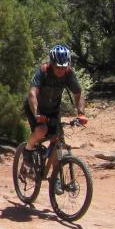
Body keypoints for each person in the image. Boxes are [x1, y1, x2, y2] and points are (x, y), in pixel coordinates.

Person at [22, 44, 87, 182]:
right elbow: (32, 93)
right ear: (51, 63)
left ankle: (55, 176)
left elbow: (78, 93)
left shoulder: (68, 73)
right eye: (58, 67)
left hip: (53, 110)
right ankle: (27, 151)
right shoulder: (43, 71)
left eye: (64, 67)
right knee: (41, 130)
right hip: (35, 108)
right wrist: (37, 114)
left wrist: (81, 113)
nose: (61, 70)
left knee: (57, 140)